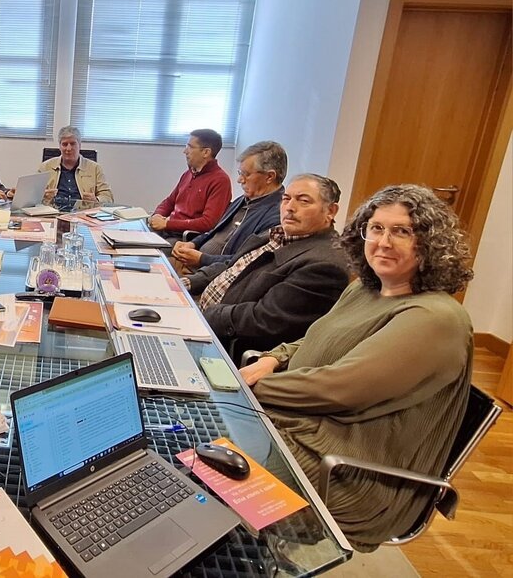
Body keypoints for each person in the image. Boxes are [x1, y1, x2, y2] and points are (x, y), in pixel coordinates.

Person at [239, 184, 475, 552]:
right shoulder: (365, 289)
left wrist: (249, 389)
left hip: (352, 473)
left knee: (209, 468)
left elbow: (339, 389)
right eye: (376, 228)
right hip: (310, 428)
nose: (383, 241)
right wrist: (275, 357)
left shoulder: (436, 318)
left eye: (402, 231)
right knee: (198, 444)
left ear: (430, 243)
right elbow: (316, 339)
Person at [183, 174, 349, 360]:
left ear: (331, 211)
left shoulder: (324, 265)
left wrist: (202, 315)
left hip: (222, 344)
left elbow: (263, 319)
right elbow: (231, 265)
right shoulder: (276, 234)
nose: (290, 208)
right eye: (286, 199)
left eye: (303, 201)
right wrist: (187, 283)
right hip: (202, 315)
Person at [171, 140, 287, 272]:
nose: (239, 180)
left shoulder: (277, 217)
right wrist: (192, 244)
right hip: (195, 264)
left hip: (210, 275)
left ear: (270, 177)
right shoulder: (242, 200)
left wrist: (202, 259)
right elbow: (213, 231)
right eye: (240, 173)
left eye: (246, 174)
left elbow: (245, 262)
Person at [148, 128, 232, 238]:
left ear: (206, 152)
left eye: (190, 147)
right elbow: (169, 202)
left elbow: (208, 223)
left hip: (183, 238)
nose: (185, 151)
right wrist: (157, 215)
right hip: (168, 230)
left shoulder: (220, 181)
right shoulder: (188, 174)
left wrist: (167, 224)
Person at [38, 125, 114, 211]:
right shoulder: (45, 167)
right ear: (60, 146)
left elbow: (108, 197)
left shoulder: (95, 168)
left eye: (73, 144)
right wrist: (43, 196)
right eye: (65, 144)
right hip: (53, 213)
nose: (68, 148)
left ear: (79, 145)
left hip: (83, 214)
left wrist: (96, 200)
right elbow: (33, 197)